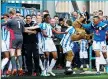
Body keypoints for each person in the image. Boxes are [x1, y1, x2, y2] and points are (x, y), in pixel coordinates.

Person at [1, 9, 25, 76]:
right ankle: (20, 68)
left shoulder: (10, 20)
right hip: (21, 37)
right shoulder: (21, 20)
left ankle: (14, 69)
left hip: (14, 37)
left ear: (11, 14)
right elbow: (23, 30)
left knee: (12, 53)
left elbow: (2, 24)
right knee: (19, 52)